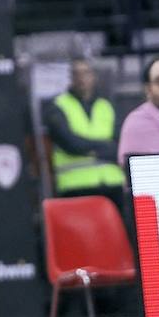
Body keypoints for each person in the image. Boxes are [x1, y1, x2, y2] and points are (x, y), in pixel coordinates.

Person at [45, 58, 126, 208]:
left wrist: (89, 147)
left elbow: (120, 145)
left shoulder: (107, 106)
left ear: (94, 76)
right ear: (70, 78)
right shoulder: (58, 106)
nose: (81, 78)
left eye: (86, 73)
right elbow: (72, 144)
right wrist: (104, 147)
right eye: (76, 74)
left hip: (112, 185)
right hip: (75, 188)